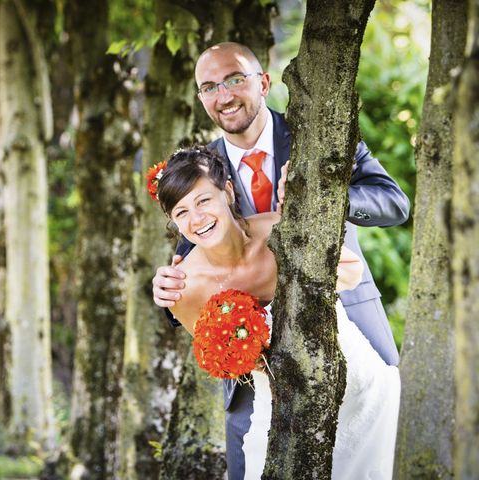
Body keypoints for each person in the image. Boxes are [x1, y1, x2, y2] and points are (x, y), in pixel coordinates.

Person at [151, 42, 410, 479]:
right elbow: (191, 248)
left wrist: (327, 202)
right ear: (201, 98)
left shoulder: (321, 136)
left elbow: (394, 203)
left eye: (235, 79)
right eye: (210, 86)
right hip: (254, 354)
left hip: (347, 314)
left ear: (264, 82)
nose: (225, 95)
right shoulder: (201, 167)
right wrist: (166, 292)